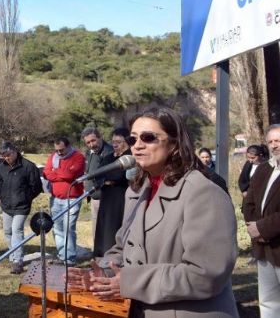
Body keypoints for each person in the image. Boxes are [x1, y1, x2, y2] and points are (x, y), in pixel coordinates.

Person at [68, 107, 238, 317]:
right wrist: (102, 272)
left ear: (175, 144)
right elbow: (124, 248)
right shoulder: (138, 191)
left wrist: (130, 282)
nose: (137, 145)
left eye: (148, 138)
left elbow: (206, 274)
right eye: (132, 139)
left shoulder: (204, 193)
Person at [243, 124, 280, 316]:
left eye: (278, 140)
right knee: (267, 302)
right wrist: (254, 227)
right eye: (271, 141)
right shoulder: (263, 169)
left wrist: (263, 229)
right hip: (263, 248)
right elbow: (248, 202)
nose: (275, 145)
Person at [0, 142, 42, 274]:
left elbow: (36, 187)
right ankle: (12, 255)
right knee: (7, 231)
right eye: (3, 156)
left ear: (15, 152)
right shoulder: (1, 166)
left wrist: (26, 198)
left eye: (8, 155)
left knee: (17, 231)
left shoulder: (28, 166)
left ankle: (18, 261)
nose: (6, 158)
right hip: (6, 205)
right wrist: (0, 197)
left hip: (22, 206)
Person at [42, 136, 85, 265]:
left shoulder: (78, 157)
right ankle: (62, 255)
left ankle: (70, 258)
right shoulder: (53, 157)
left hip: (72, 199)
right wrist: (60, 173)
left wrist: (55, 172)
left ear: (68, 146)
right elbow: (46, 173)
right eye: (57, 150)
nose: (59, 153)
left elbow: (71, 174)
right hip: (55, 199)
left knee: (68, 228)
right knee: (57, 228)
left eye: (61, 150)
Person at [93, 128, 131, 258]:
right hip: (106, 198)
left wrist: (108, 178)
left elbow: (120, 176)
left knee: (113, 229)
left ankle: (113, 258)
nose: (115, 144)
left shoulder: (129, 157)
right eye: (113, 141)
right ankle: (102, 255)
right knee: (103, 229)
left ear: (126, 142)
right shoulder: (109, 157)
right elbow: (98, 174)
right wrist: (106, 180)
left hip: (120, 198)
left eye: (119, 142)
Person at [81, 127, 115, 238]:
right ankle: (97, 253)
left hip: (107, 199)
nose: (91, 145)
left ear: (100, 137)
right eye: (88, 142)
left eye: (93, 140)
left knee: (107, 231)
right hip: (94, 198)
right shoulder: (89, 153)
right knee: (96, 230)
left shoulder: (110, 152)